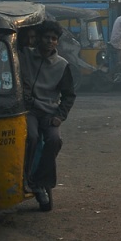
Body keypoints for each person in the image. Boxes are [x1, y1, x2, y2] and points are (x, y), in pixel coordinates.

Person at [20, 19, 76, 206]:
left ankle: (41, 182)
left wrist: (60, 116)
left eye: (54, 38)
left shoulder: (62, 65)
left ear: (57, 42)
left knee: (54, 140)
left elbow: (69, 95)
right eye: (46, 37)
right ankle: (24, 176)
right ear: (39, 39)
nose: (50, 41)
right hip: (29, 110)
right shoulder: (25, 56)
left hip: (50, 112)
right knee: (32, 137)